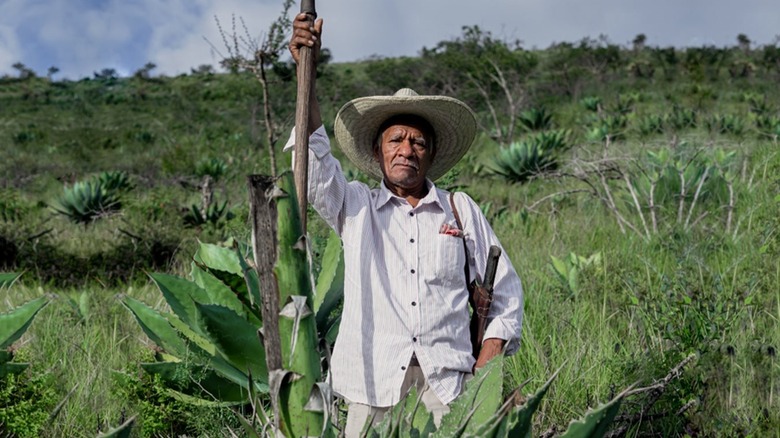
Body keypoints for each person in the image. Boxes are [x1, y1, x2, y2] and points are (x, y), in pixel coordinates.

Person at [287, 13, 523, 437]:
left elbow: (505, 293)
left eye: (417, 142)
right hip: (371, 388)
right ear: (378, 154)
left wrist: (486, 374)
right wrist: (308, 73)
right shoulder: (355, 206)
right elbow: (314, 162)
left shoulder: (460, 210)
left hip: (449, 389)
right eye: (395, 140)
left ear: (431, 155)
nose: (406, 150)